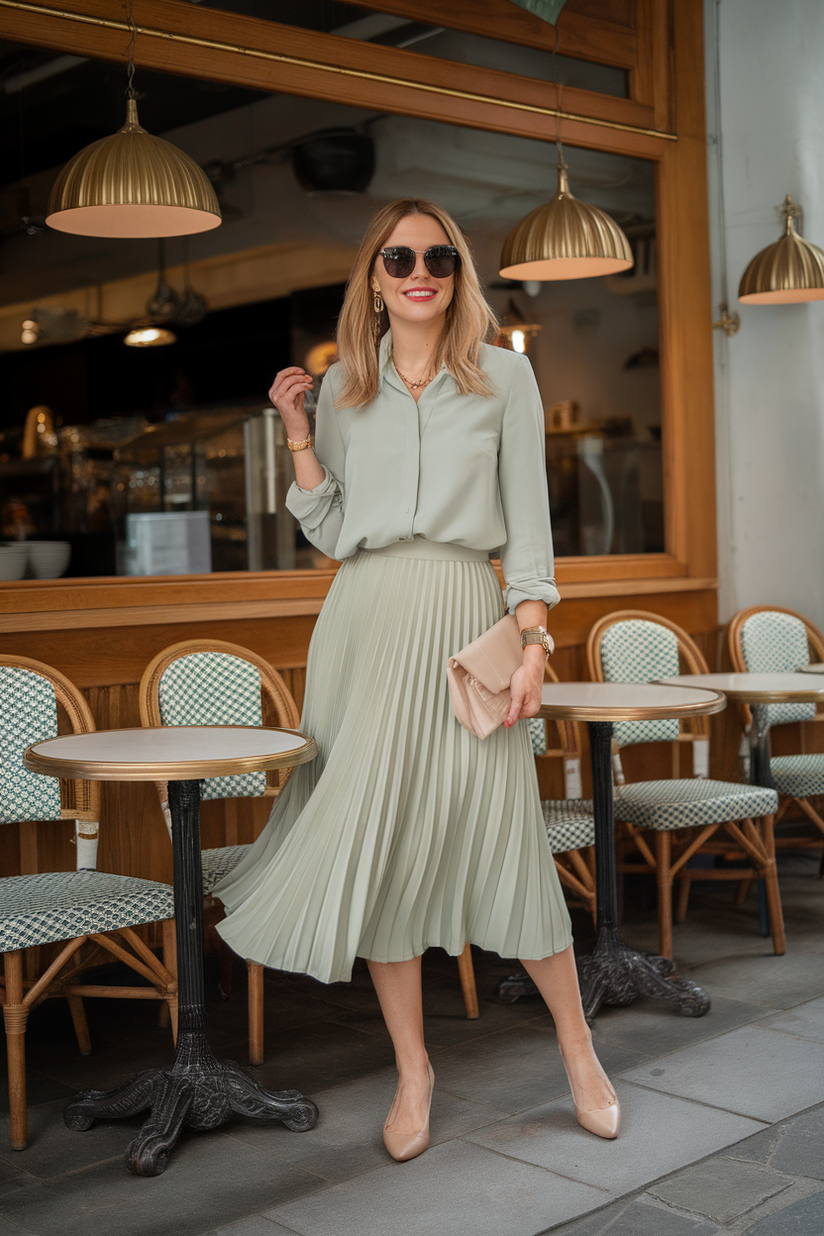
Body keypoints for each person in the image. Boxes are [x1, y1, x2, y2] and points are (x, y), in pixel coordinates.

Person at [214, 197, 619, 1160]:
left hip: (460, 615)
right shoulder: (344, 387)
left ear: (458, 269)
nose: (419, 270)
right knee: (383, 845)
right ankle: (413, 1070)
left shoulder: (506, 379)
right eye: (399, 257)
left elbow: (530, 524)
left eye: (438, 254)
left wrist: (533, 642)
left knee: (507, 839)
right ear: (375, 274)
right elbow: (327, 525)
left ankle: (579, 1046)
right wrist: (300, 433)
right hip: (362, 623)